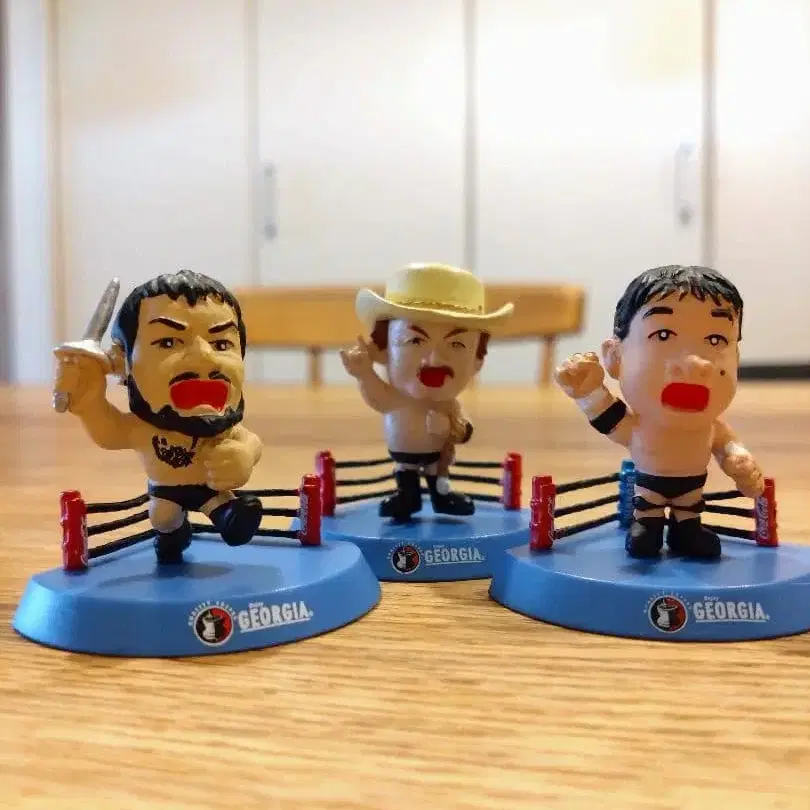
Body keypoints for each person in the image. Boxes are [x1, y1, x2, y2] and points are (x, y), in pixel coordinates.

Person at [53, 270, 264, 563]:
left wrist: (243, 456)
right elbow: (109, 432)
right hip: (165, 492)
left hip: (212, 489)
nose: (204, 357)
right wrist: (89, 402)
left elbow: (251, 441)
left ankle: (231, 517)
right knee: (163, 517)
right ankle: (173, 537)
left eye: (221, 344)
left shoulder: (223, 430)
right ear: (122, 363)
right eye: (168, 342)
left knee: (224, 509)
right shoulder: (143, 428)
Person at [555, 264, 764, 560]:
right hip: (649, 488)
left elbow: (729, 447)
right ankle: (647, 526)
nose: (695, 364)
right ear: (615, 357)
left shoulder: (712, 428)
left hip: (692, 489)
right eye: (663, 335)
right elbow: (609, 419)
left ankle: (686, 530)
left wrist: (739, 460)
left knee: (689, 513)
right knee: (647, 522)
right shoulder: (641, 426)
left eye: (716, 340)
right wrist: (589, 392)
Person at [340, 263, 514, 523]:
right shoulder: (395, 399)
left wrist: (449, 429)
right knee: (406, 475)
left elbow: (464, 429)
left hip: (437, 459)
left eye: (457, 344)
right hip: (404, 457)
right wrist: (364, 373)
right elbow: (377, 397)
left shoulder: (448, 405)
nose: (434, 360)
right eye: (415, 341)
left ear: (478, 360)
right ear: (383, 350)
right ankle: (407, 496)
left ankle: (441, 497)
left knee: (438, 478)